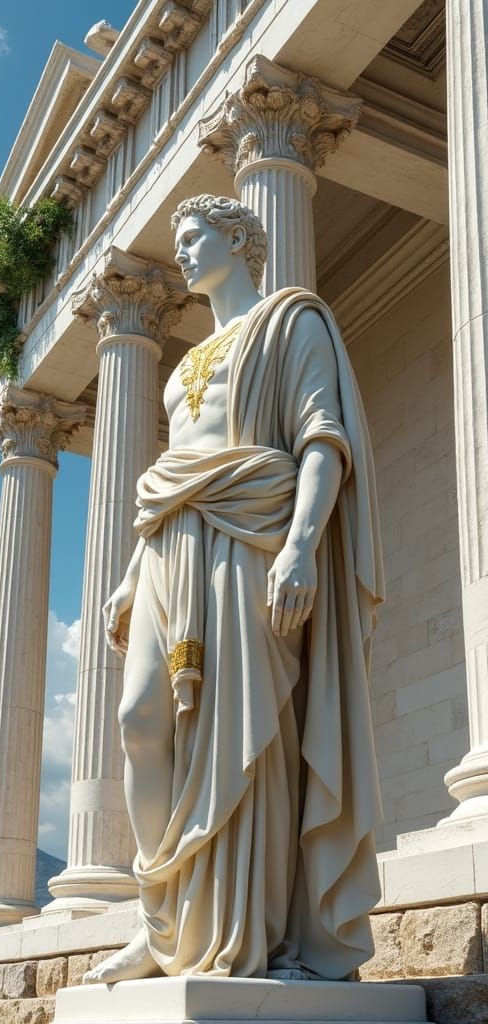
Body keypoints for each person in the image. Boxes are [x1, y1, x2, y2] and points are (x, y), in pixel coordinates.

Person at [84, 195, 384, 985]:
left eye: (194, 236)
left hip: (255, 540)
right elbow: (170, 485)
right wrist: (125, 577)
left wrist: (302, 548)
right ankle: (165, 921)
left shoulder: (293, 322)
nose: (181, 252)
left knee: (252, 738)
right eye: (179, 239)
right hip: (169, 550)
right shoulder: (181, 368)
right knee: (141, 719)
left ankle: (264, 931)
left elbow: (323, 439)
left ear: (241, 239)